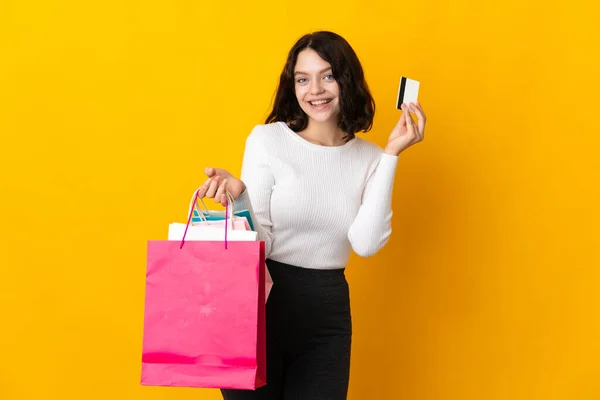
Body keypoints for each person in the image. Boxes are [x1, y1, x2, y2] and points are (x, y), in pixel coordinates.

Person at [197, 31, 426, 400]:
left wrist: (391, 155)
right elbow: (263, 242)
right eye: (303, 79)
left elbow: (366, 244)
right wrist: (240, 200)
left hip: (327, 317)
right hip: (257, 309)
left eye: (328, 75)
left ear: (346, 80)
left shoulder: (369, 158)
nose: (315, 89)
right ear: (293, 86)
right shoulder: (267, 140)